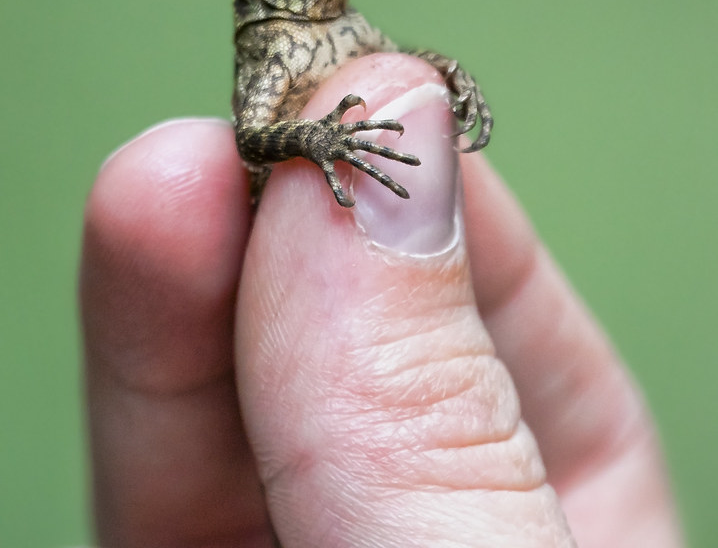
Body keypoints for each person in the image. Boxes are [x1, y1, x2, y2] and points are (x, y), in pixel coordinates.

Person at [80, 54, 685, 546]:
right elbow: (255, 135)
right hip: (277, 323)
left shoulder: (346, 32)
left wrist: (441, 70)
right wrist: (320, 137)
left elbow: (394, 66)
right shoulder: (273, 42)